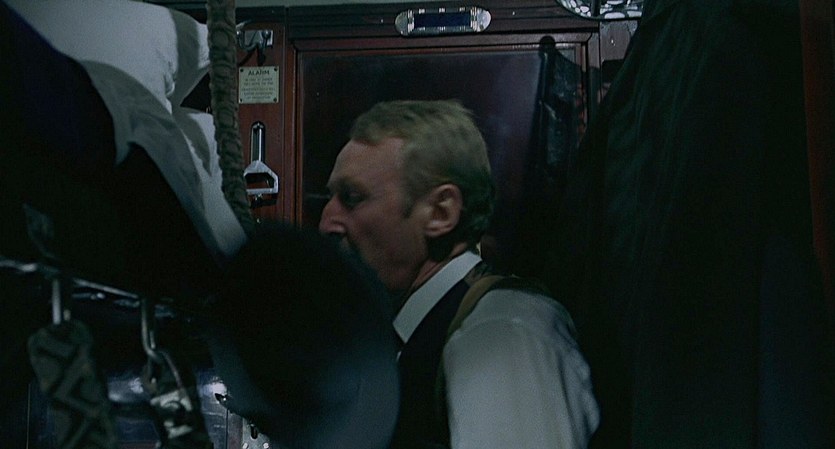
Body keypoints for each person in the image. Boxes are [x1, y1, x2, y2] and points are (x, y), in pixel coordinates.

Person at [319, 99, 599, 449]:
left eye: (352, 197)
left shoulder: (500, 332)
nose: (327, 222)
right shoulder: (413, 333)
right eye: (330, 197)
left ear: (441, 212)